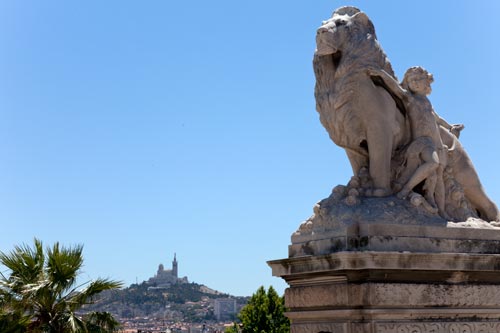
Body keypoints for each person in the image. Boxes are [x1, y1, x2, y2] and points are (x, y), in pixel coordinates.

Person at [367, 66, 451, 217]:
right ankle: (406, 190)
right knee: (433, 163)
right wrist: (382, 74)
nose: (416, 83)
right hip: (422, 142)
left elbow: (437, 119)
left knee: (438, 179)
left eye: (418, 80)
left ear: (426, 82)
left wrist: (450, 126)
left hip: (436, 143)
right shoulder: (410, 98)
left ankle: (441, 210)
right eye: (412, 80)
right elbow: (396, 88)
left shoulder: (427, 102)